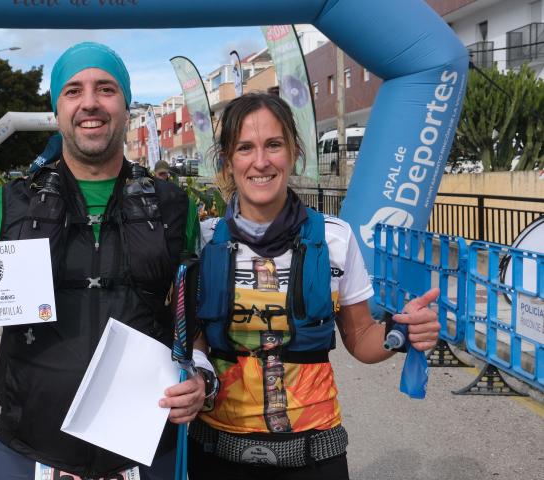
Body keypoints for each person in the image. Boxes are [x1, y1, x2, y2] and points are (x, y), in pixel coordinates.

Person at [0, 42, 208, 479]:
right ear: (57, 111)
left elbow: (192, 324)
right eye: (73, 91)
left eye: (105, 89)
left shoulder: (173, 206)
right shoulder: (8, 204)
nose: (90, 102)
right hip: (28, 450)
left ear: (127, 106)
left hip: (146, 451)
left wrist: (200, 377)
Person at [186, 92, 440, 480]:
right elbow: (192, 340)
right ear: (226, 161)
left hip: (314, 455)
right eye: (245, 148)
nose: (261, 161)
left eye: (274, 145)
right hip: (217, 452)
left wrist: (401, 331)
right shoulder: (203, 241)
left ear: (294, 152)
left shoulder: (336, 238)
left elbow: (360, 338)